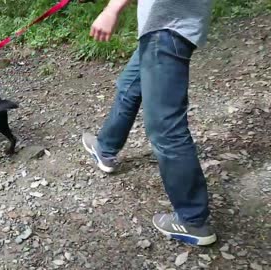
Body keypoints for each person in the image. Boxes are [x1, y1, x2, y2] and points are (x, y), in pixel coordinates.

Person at [82, 0, 217, 246]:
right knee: (130, 86)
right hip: (166, 26)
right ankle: (105, 147)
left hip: (167, 29)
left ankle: (193, 220)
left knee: (165, 128)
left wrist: (111, 9)